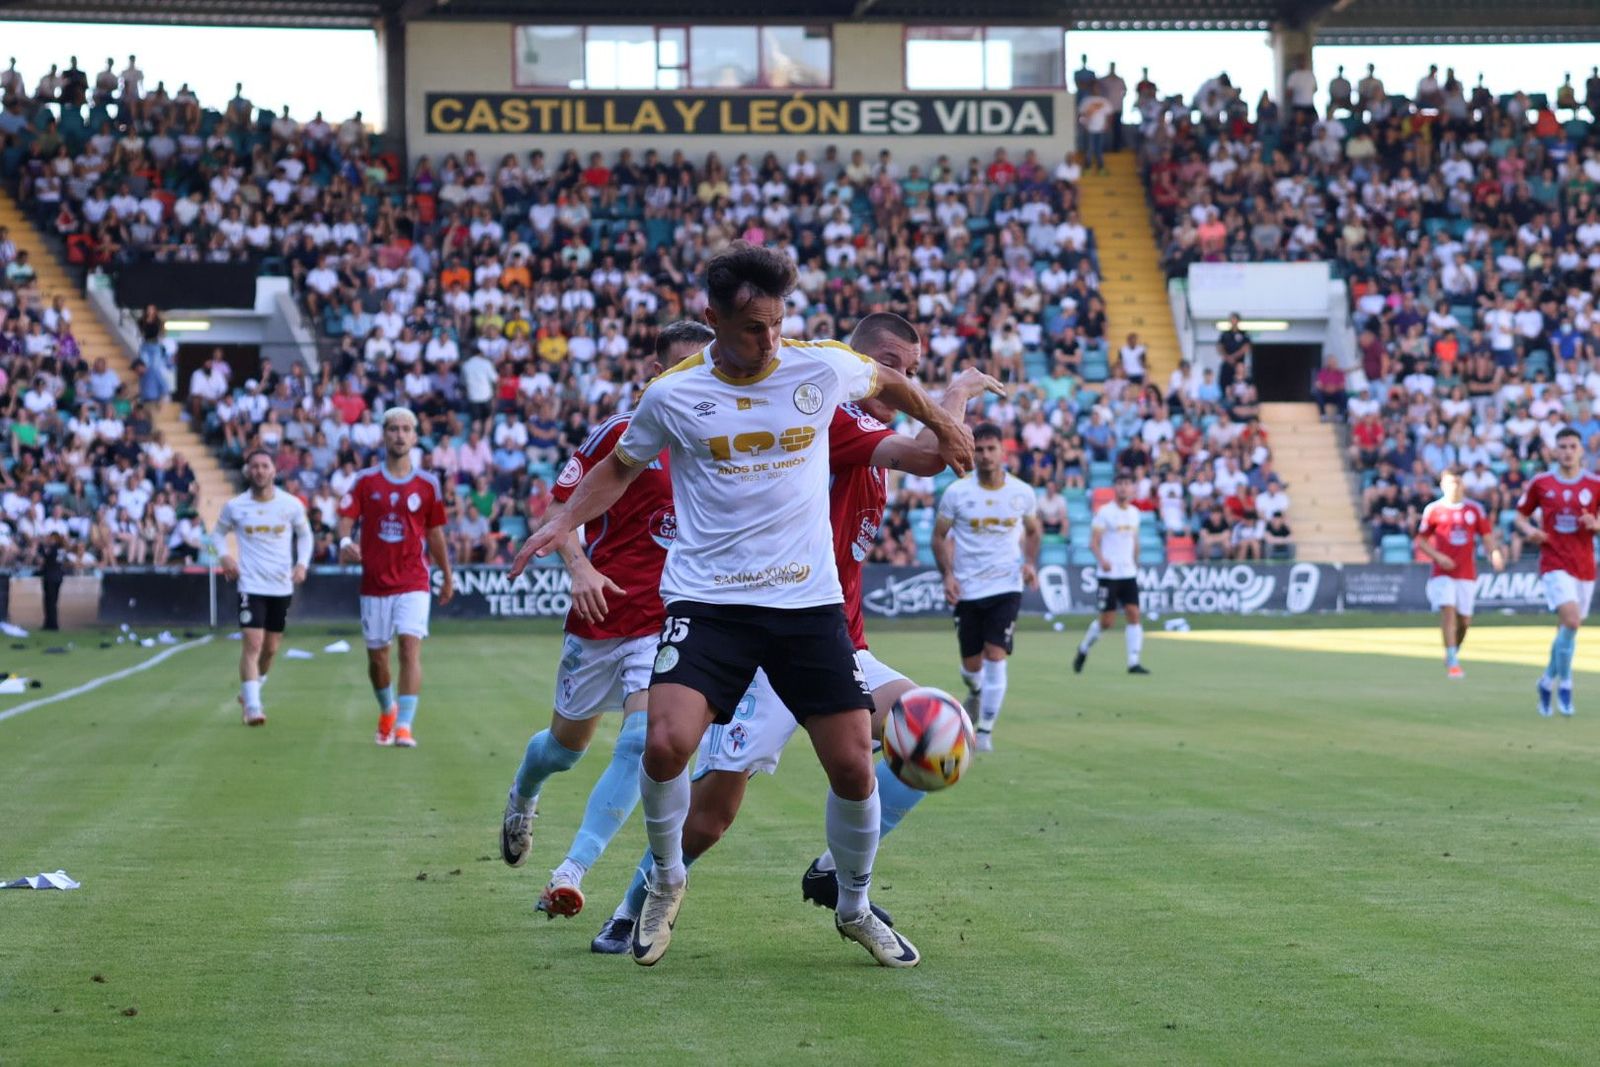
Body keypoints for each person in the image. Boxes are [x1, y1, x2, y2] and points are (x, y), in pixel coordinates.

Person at [523, 243, 973, 968]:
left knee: (856, 766)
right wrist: (567, 519)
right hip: (710, 602)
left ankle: (853, 904)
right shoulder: (673, 393)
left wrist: (946, 421)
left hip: (806, 607)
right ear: (713, 319)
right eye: (751, 329)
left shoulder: (816, 364)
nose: (768, 341)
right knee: (667, 745)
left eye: (776, 323)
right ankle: (662, 880)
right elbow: (620, 465)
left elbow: (889, 379)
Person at [495, 321, 713, 919]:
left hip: (668, 618)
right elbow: (560, 507)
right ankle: (523, 792)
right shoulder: (624, 432)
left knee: (643, 742)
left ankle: (571, 870)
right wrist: (579, 565)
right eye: (680, 366)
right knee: (565, 748)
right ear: (654, 372)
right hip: (600, 612)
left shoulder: (722, 433)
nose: (693, 376)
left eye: (704, 364)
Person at [337, 407, 454, 746]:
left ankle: (404, 725)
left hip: (414, 580)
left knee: (408, 648)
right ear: (383, 435)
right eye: (393, 429)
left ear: (415, 437)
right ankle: (387, 708)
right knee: (377, 659)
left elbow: (435, 535)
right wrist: (346, 541)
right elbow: (346, 518)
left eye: (406, 429)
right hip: (374, 583)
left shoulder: (428, 484)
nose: (400, 435)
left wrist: (447, 576)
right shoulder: (365, 481)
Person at [933, 422, 1043, 751]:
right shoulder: (957, 492)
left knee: (996, 653)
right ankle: (976, 691)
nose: (985, 455)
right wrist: (948, 576)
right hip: (967, 588)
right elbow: (938, 537)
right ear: (972, 453)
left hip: (1006, 585)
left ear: (1003, 452)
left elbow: (1035, 531)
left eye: (991, 448)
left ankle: (984, 734)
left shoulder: (1022, 493)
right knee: (971, 665)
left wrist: (1029, 563)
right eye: (979, 449)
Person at [212, 449, 313, 725]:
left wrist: (302, 564)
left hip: (281, 586)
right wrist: (225, 556)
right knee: (253, 643)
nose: (259, 470)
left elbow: (305, 535)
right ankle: (253, 708)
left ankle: (252, 689)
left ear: (273, 471)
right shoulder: (236, 506)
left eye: (264, 465)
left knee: (270, 648)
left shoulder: (290, 504)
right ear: (247, 471)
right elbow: (218, 534)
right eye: (254, 466)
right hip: (250, 584)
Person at [1513, 428, 1600, 717]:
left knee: (1567, 631)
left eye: (1572, 446)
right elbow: (1520, 516)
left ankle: (1546, 680)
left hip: (1585, 566)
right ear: (1554, 451)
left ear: (1580, 451)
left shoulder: (1594, 484)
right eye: (1561, 446)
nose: (1567, 451)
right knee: (1572, 622)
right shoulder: (1541, 483)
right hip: (1554, 563)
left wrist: (1596, 525)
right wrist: (1531, 532)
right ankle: (1566, 686)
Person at [1415, 467, 1505, 679]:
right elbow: (1421, 541)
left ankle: (1453, 650)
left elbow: (1487, 535)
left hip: (1466, 573)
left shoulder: (1474, 510)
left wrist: (1495, 553)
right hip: (1442, 573)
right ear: (1442, 485)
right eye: (1450, 482)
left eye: (1458, 482)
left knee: (1464, 620)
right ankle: (1453, 661)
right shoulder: (1434, 510)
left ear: (1462, 484)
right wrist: (1438, 557)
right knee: (1448, 611)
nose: (1454, 486)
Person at [1074, 470, 1148, 675]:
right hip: (1109, 575)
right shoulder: (1105, 512)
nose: (1124, 487)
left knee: (1134, 614)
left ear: (1133, 487)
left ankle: (1134, 662)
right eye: (1120, 483)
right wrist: (1102, 560)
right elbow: (1093, 542)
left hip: (1128, 573)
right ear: (1115, 487)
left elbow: (1135, 541)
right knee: (1107, 621)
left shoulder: (1134, 513)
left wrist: (1136, 561)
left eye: (1127, 483)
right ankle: (1084, 648)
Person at [38, 531, 65, 631]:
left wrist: (41, 547)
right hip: (58, 577)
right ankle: (51, 623)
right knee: (53, 602)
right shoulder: (61, 549)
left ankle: (51, 624)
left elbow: (46, 557)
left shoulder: (54, 549)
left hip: (50, 577)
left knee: (49, 602)